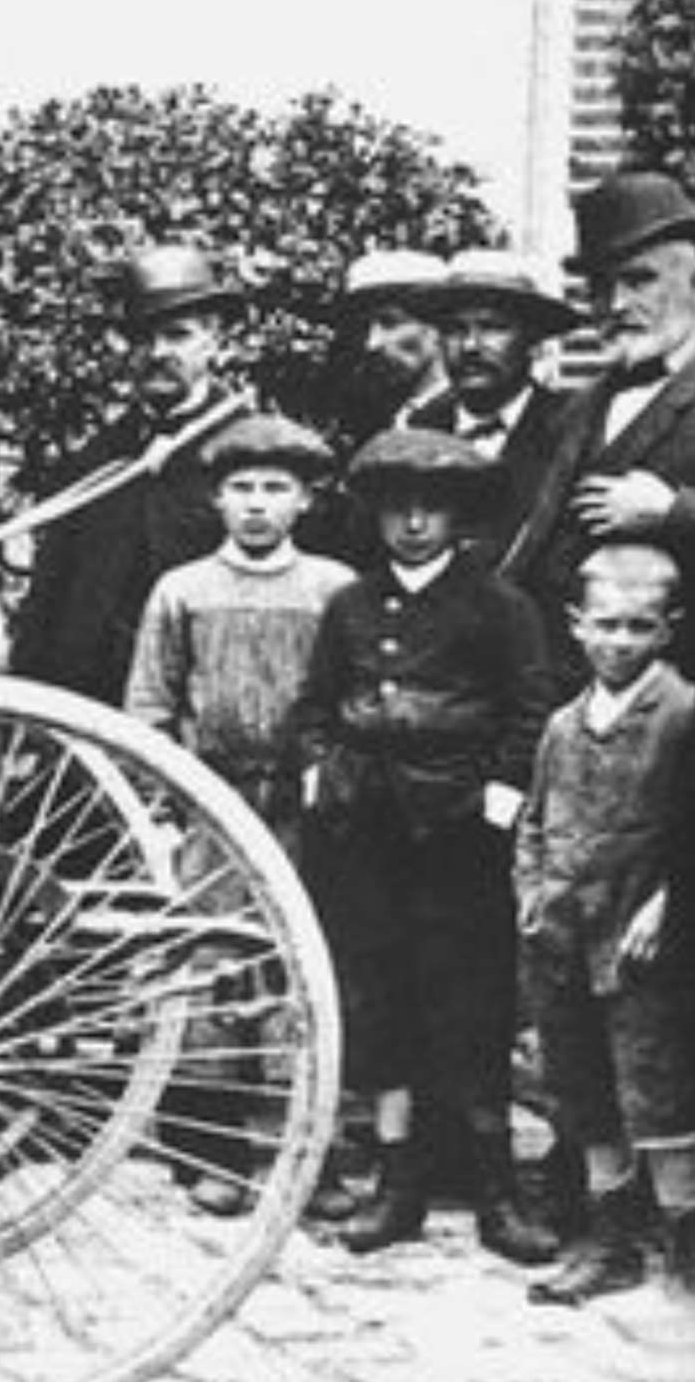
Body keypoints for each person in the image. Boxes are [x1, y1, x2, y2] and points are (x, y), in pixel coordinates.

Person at [292, 427, 562, 1264]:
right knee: (385, 999)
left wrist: (496, 803)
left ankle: (495, 1193)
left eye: (431, 508)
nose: (413, 524)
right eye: (397, 508)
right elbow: (314, 705)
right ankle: (398, 1189)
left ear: (459, 516)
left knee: (471, 1003)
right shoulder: (350, 604)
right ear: (374, 515)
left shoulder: (499, 605)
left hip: (458, 837)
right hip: (370, 833)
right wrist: (318, 774)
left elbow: (530, 712)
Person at [124, 411, 357, 1219]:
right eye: (242, 489)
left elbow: (350, 700)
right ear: (217, 499)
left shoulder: (332, 589)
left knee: (302, 975)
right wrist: (166, 801)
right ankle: (214, 1148)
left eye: (276, 489)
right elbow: (150, 705)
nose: (258, 505)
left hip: (303, 808)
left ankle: (310, 1155)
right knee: (209, 972)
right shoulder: (182, 591)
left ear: (305, 501)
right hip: (212, 808)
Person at [518, 541, 695, 1303]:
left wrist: (670, 899)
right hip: (563, 930)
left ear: (668, 629)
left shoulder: (682, 716)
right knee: (582, 1087)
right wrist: (530, 889)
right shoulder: (563, 723)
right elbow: (533, 819)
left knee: (655, 1086)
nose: (620, 641)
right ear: (575, 626)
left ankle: (683, 1242)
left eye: (639, 627)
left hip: (641, 937)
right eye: (606, 625)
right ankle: (610, 1239)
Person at [8, 243, 240, 706]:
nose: (156, 353)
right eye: (141, 337)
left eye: (177, 335)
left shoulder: (247, 454)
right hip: (93, 716)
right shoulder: (97, 458)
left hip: (201, 712)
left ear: (215, 341)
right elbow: (50, 594)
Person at [503, 169, 695, 677]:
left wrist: (674, 512)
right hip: (560, 694)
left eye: (639, 280)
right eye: (599, 287)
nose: (614, 306)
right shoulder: (576, 406)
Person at [407, 248, 582, 573]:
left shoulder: (570, 428)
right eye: (454, 329)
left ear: (532, 339)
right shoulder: (418, 432)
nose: (470, 346)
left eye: (493, 327)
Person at [333, 248, 452, 446]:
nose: (372, 343)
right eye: (365, 326)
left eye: (390, 323)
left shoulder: (466, 421)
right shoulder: (375, 423)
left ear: (438, 326)